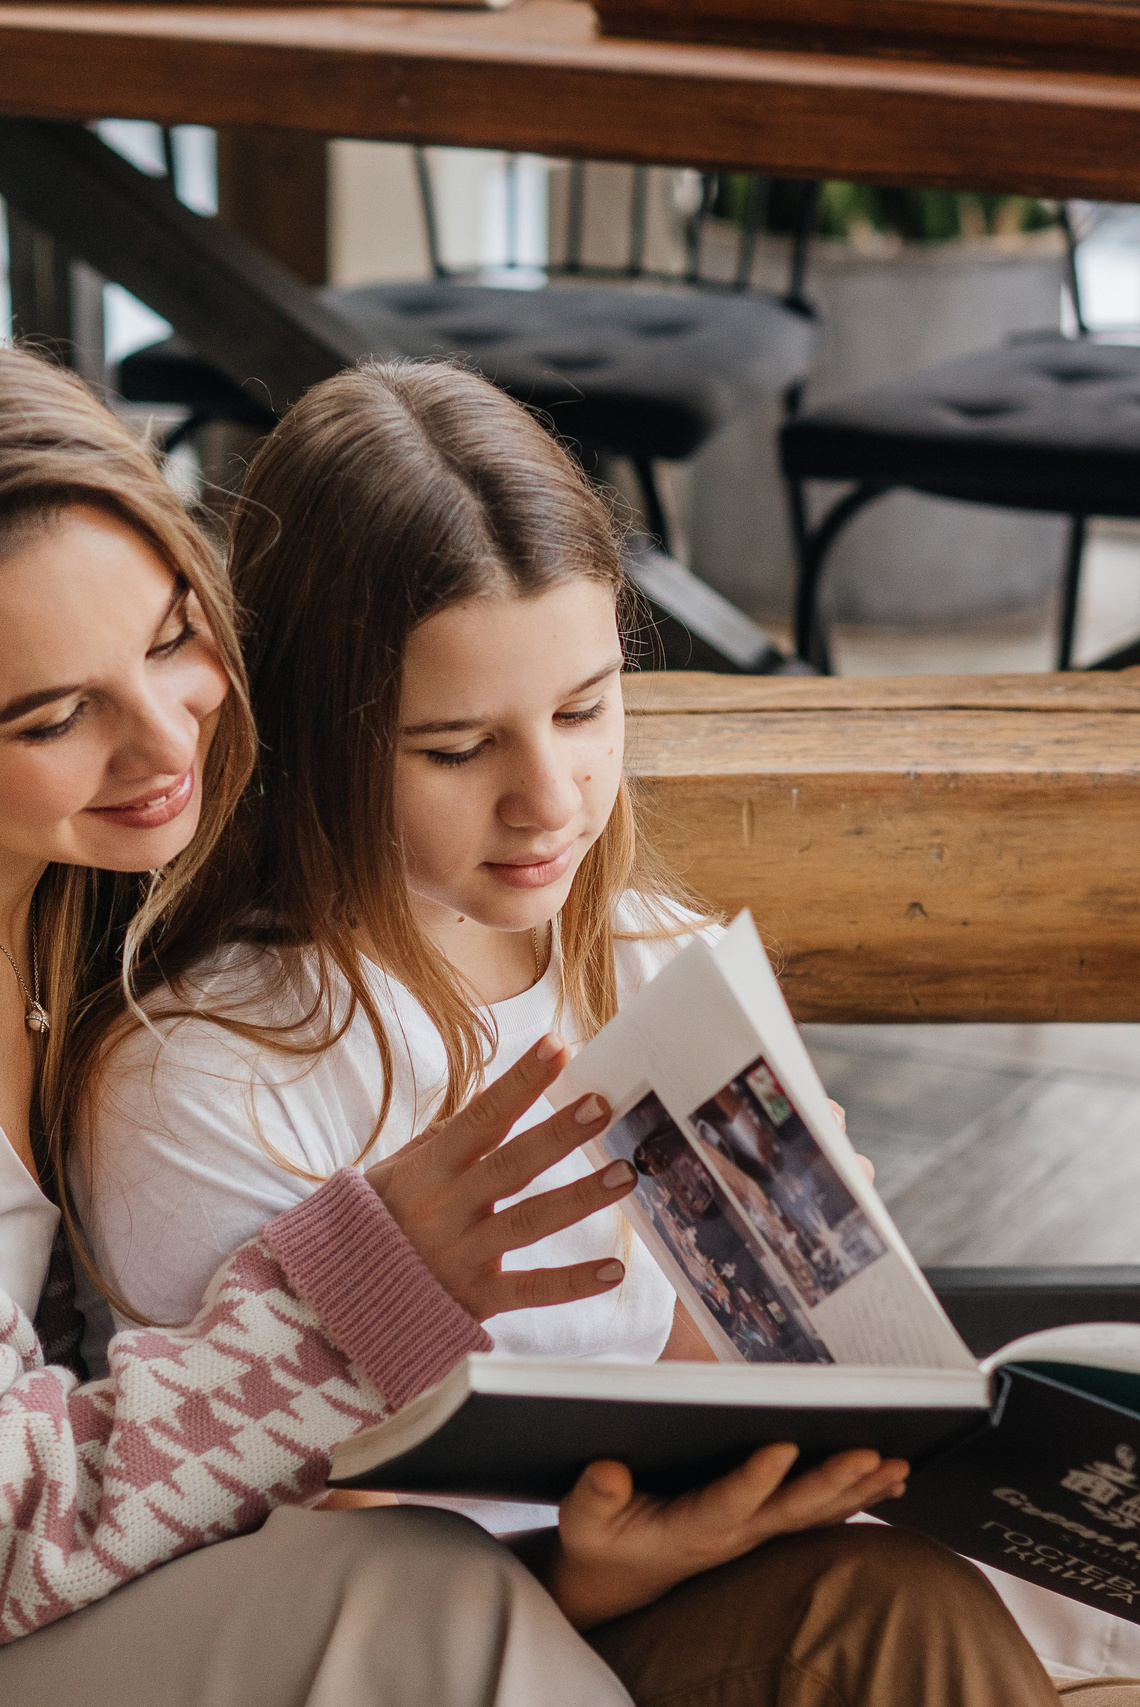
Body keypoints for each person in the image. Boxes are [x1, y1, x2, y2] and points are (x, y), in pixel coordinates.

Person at [0, 333, 1053, 1707]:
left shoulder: (48, 860)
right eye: (55, 713)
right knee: (418, 1606)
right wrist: (352, 1295)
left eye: (170, 640)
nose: (168, 742)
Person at [62, 357, 1062, 1703]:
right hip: (430, 1652)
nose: (548, 799)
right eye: (457, 748)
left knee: (930, 1594)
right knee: (890, 1625)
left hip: (683, 1570)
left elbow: (674, 1387)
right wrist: (593, 1578)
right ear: (305, 734)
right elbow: (256, 1578)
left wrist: (808, 1305)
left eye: (587, 710)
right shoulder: (205, 1074)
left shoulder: (650, 960)